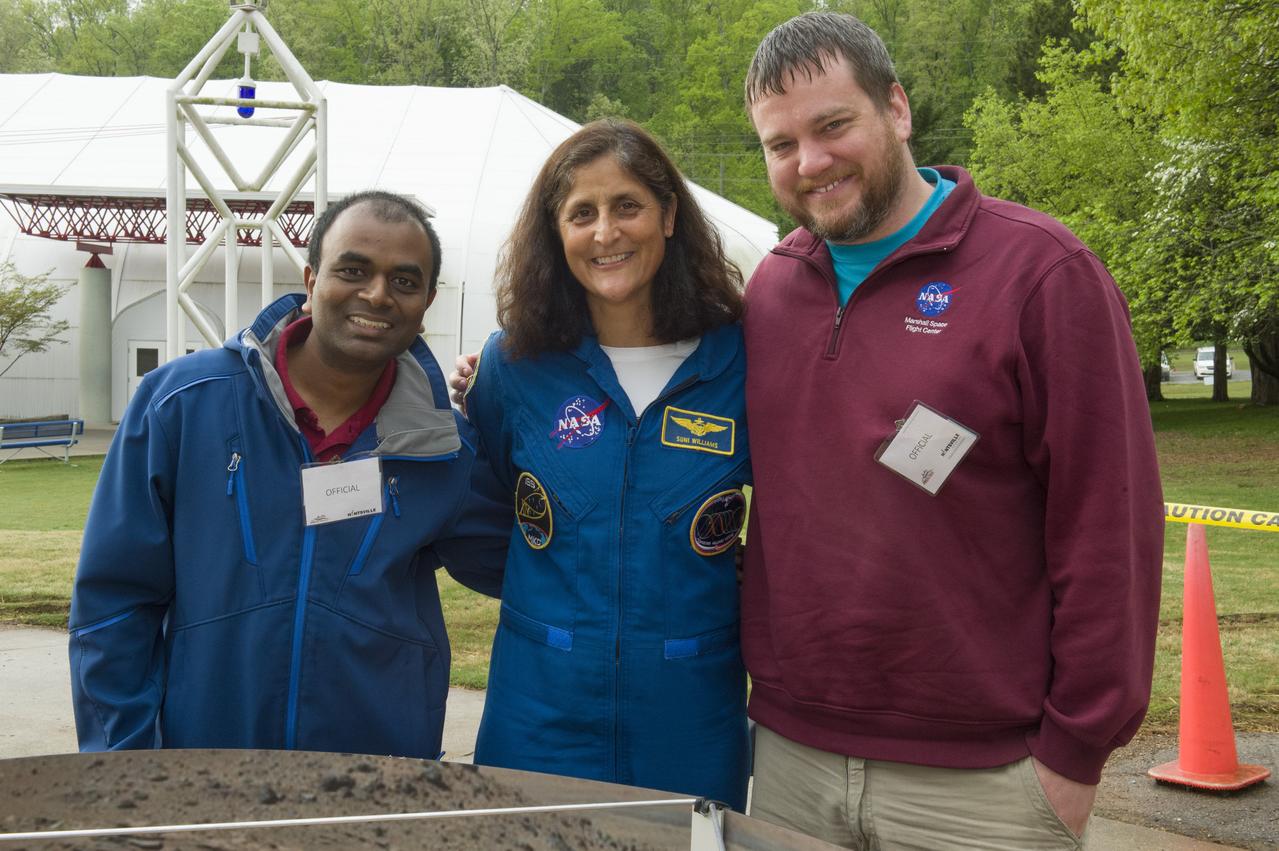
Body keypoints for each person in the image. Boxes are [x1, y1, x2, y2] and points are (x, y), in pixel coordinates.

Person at [738, 12, 1164, 850]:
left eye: (832, 126)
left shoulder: (1040, 273)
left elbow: (1107, 526)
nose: (809, 162)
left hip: (984, 781)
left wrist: (1071, 756)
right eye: (780, 144)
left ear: (895, 109)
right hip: (791, 757)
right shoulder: (771, 291)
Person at [68, 190, 508, 758]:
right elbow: (114, 604)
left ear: (426, 302)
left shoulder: (446, 445)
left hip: (377, 770)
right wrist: (121, 765)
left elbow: (518, 567)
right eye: (353, 270)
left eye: (405, 281)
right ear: (311, 278)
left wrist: (511, 411)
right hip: (208, 761)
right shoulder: (183, 404)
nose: (376, 294)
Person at [457, 118, 751, 809]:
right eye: (580, 214)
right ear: (554, 234)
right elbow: (486, 506)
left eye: (627, 206)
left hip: (690, 718)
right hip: (537, 714)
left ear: (669, 215)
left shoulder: (739, 358)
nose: (604, 233)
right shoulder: (514, 364)